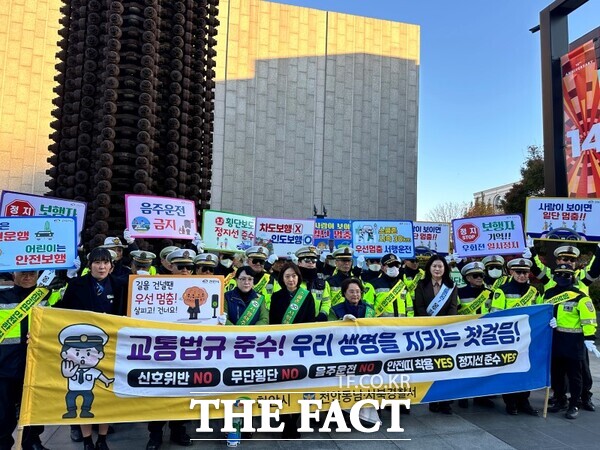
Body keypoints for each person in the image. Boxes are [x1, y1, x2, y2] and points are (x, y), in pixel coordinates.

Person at [57, 247, 129, 450]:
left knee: (105, 392)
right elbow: (63, 313)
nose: (102, 266)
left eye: (106, 262)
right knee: (77, 389)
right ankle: (83, 434)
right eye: (97, 262)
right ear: (90, 266)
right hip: (81, 347)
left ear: (112, 266)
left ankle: (102, 437)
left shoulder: (121, 285)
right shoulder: (76, 284)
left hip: (111, 346)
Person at [530, 244, 600, 411]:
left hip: (576, 334)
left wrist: (599, 251)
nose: (567, 262)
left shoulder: (582, 276)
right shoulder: (549, 275)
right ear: (557, 260)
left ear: (575, 262)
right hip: (555, 333)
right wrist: (531, 252)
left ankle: (584, 397)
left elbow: (596, 268)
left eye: (571, 260)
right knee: (557, 370)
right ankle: (559, 397)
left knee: (582, 370)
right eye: (563, 259)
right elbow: (535, 267)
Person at [0, 270, 59, 450]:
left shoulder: (49, 295)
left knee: (34, 410)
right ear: (13, 274)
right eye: (23, 274)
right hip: (5, 367)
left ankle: (32, 442)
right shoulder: (2, 297)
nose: (27, 277)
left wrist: (65, 280)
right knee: (3, 413)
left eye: (31, 273)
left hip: (35, 365)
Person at [542, 264, 599, 419]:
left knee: (575, 376)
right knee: (557, 374)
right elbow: (539, 311)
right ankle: (560, 400)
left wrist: (589, 338)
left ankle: (574, 404)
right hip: (554, 339)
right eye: (559, 274)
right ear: (554, 276)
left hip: (574, 342)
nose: (563, 278)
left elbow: (588, 319)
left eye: (567, 275)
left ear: (572, 278)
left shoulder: (580, 297)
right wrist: (546, 321)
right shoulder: (548, 294)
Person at [269, 263, 316, 438]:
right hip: (281, 347)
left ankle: (294, 419)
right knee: (282, 382)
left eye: (294, 276)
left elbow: (310, 321)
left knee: (299, 382)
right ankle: (284, 418)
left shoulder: (306, 296)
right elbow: (273, 323)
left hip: (300, 347)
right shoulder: (276, 297)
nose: (291, 279)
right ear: (282, 278)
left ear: (298, 277)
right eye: (287, 276)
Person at [490, 258, 540, 416]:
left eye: (525, 272)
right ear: (511, 272)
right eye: (518, 272)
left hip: (528, 336)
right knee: (510, 369)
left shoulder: (534, 291)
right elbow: (495, 315)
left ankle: (524, 400)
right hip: (509, 338)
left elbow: (540, 311)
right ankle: (510, 402)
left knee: (526, 370)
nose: (522, 275)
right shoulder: (502, 291)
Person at [414, 255, 458, 414]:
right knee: (431, 367)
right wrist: (429, 325)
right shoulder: (421, 285)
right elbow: (418, 307)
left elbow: (453, 307)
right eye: (434, 266)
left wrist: (446, 324)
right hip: (428, 332)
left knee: (446, 366)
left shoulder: (451, 286)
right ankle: (433, 400)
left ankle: (446, 402)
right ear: (429, 268)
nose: (437, 269)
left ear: (445, 268)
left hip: (446, 332)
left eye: (440, 266)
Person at [456, 262, 495, 409]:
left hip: (486, 335)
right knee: (464, 365)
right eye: (476, 275)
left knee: (485, 365)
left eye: (482, 275)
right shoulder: (459, 292)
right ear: (467, 277)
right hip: (467, 336)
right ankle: (463, 396)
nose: (480, 278)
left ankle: (482, 396)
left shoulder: (490, 292)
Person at [295, 246, 331, 321]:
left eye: (314, 260)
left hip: (316, 325)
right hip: (295, 323)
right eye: (307, 260)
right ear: (299, 263)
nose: (311, 262)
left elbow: (326, 302)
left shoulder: (322, 283)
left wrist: (323, 314)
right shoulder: (293, 281)